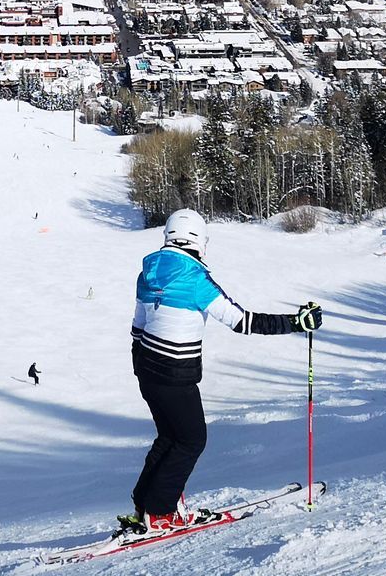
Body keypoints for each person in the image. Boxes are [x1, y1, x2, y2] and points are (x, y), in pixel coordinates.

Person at [121, 209, 320, 537]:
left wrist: (140, 365)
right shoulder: (196, 278)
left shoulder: (148, 272)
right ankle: (159, 513)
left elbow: (138, 326)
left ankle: (146, 504)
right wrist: (296, 323)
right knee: (191, 440)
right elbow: (242, 321)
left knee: (170, 437)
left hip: (148, 370)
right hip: (175, 373)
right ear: (199, 241)